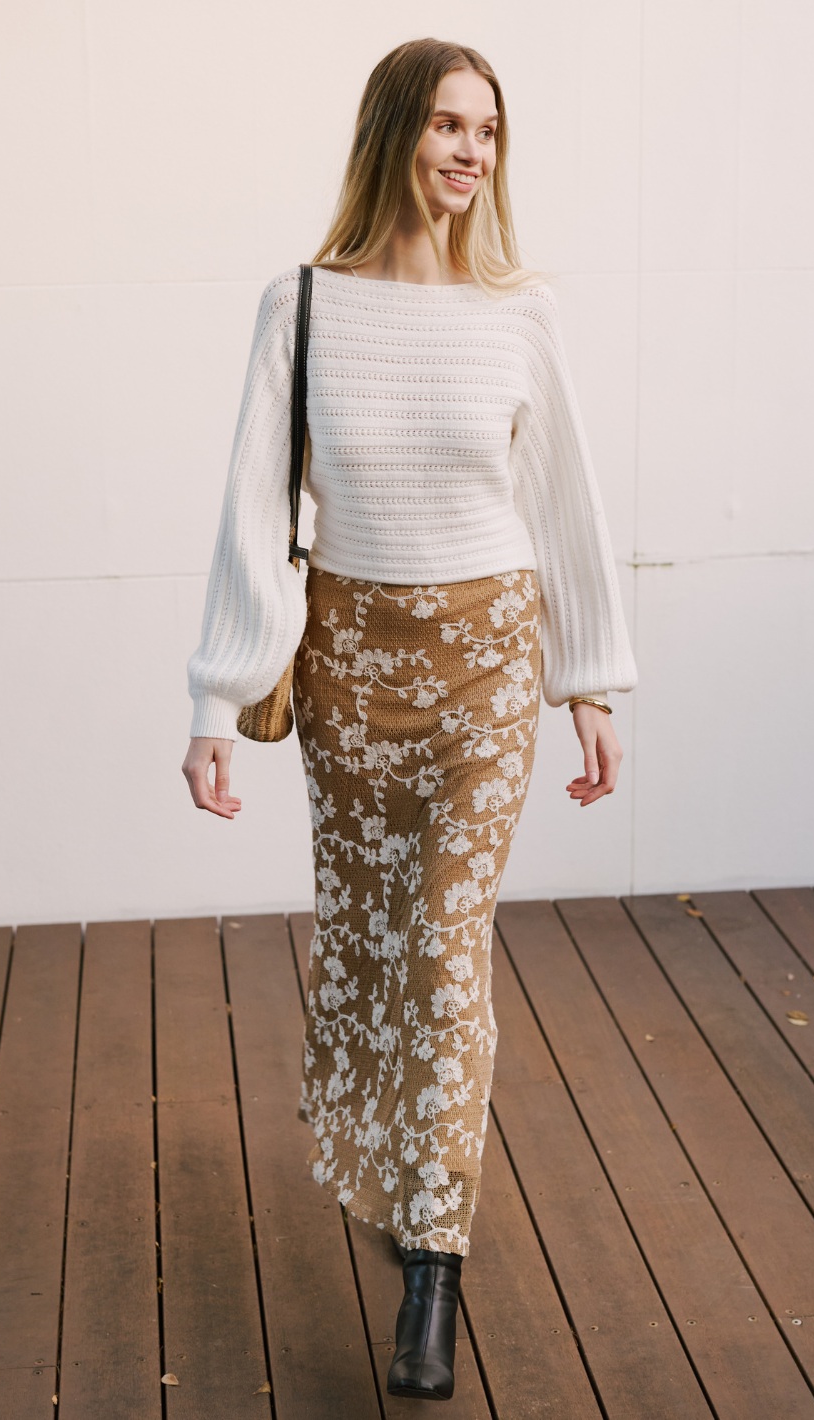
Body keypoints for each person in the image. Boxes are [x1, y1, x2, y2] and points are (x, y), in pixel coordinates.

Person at [182, 37, 637, 1402]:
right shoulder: (303, 305)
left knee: (444, 945)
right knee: (372, 941)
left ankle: (435, 1256)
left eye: (487, 132)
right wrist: (216, 698)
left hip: (486, 664)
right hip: (351, 671)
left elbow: (566, 500)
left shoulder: (520, 313)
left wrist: (590, 681)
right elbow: (254, 511)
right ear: (395, 133)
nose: (470, 154)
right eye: (448, 125)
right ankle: (394, 1165)